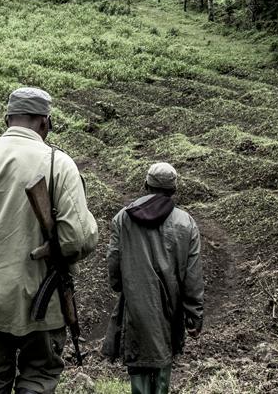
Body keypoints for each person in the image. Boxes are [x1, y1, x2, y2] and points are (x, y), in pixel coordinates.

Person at [0, 87, 98, 394]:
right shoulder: (59, 164)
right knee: (39, 378)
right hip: (43, 299)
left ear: (7, 119)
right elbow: (76, 238)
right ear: (45, 123)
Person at [102, 162, 204, 394]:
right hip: (170, 308)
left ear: (145, 185)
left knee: (137, 360)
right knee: (162, 359)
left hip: (135, 305)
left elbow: (114, 261)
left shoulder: (123, 218)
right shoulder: (186, 223)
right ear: (174, 189)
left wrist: (122, 286)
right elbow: (193, 275)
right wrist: (194, 315)